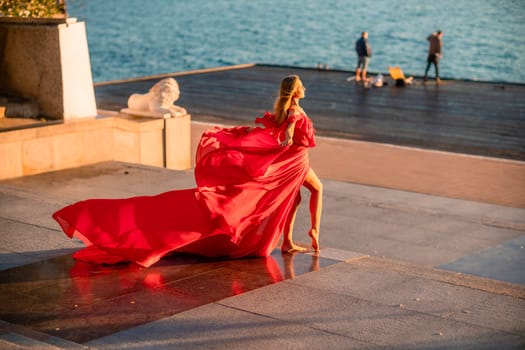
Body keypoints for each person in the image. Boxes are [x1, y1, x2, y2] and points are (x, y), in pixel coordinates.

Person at [52, 75, 322, 268]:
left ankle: (287, 240)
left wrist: (261, 139)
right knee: (314, 190)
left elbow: (279, 131)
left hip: (294, 162)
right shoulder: (296, 113)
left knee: (293, 198)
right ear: (296, 91)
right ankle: (313, 232)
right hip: (295, 162)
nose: (306, 88)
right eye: (303, 86)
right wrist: (279, 143)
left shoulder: (287, 110)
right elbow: (286, 136)